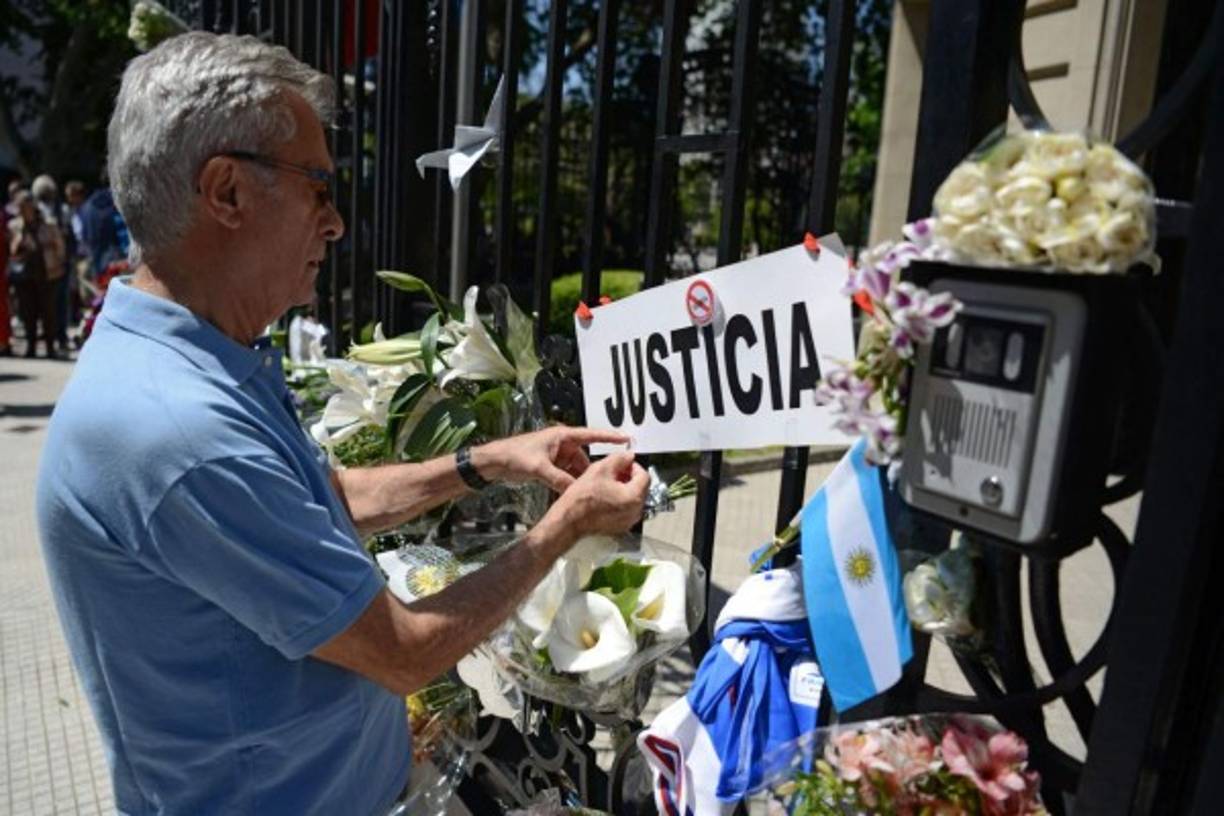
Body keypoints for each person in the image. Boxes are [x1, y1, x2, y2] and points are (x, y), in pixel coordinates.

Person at [35, 31, 649, 815]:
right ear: (226, 191)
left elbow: (325, 497)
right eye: (318, 187)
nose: (335, 223)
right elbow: (403, 652)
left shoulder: (190, 358)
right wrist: (567, 525)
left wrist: (488, 461)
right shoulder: (179, 428)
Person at [8, 190, 64, 357]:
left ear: (32, 206)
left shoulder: (49, 223)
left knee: (48, 313)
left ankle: (50, 347)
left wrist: (58, 264)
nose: (23, 210)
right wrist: (20, 235)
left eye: (25, 206)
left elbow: (60, 247)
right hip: (24, 276)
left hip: (48, 274)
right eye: (20, 207)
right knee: (28, 312)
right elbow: (12, 252)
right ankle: (31, 346)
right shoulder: (14, 226)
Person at [32, 174, 74, 349]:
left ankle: (58, 336)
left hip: (56, 263)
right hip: (48, 264)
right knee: (54, 302)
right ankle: (54, 336)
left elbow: (69, 237)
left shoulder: (60, 210)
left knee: (57, 301)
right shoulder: (58, 210)